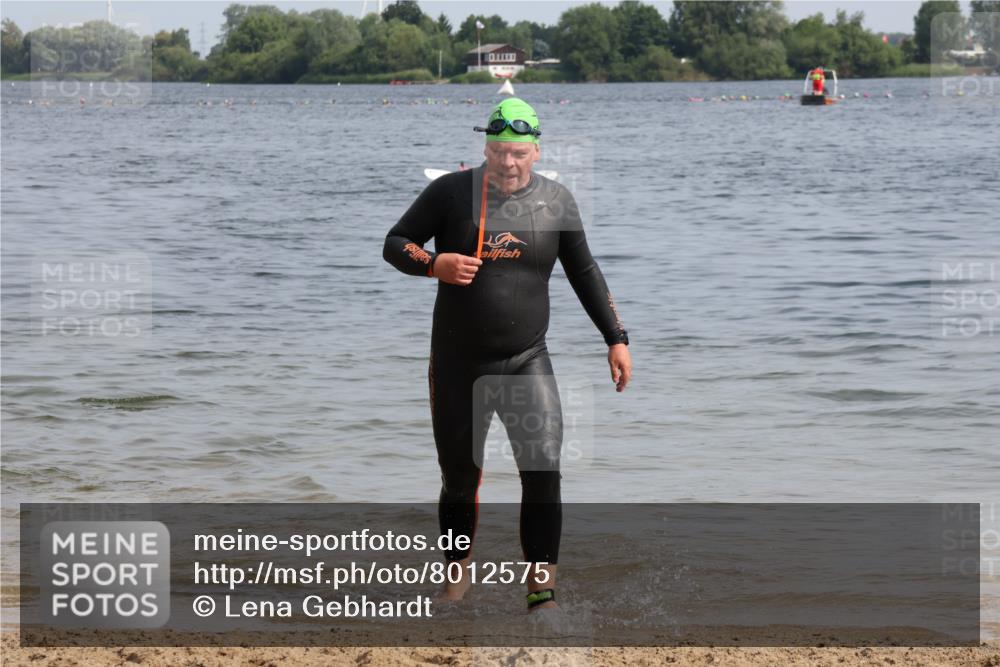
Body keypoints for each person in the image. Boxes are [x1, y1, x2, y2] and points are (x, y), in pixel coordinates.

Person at [383, 97, 632, 613]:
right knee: (459, 480)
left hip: (526, 358)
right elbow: (396, 242)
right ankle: (455, 587)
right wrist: (434, 264)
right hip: (457, 363)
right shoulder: (451, 193)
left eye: (518, 152)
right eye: (498, 151)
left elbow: (585, 272)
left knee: (543, 471)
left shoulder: (556, 202)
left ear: (537, 151)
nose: (508, 162)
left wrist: (616, 337)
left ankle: (541, 594)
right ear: (486, 149)